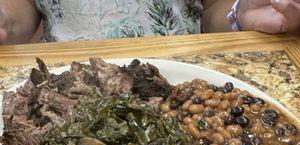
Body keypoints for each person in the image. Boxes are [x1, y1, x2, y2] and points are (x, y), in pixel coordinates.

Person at [0, 0, 299, 44]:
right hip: (63, 83)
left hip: (182, 83)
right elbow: (23, 7)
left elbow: (210, 11)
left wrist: (240, 14)